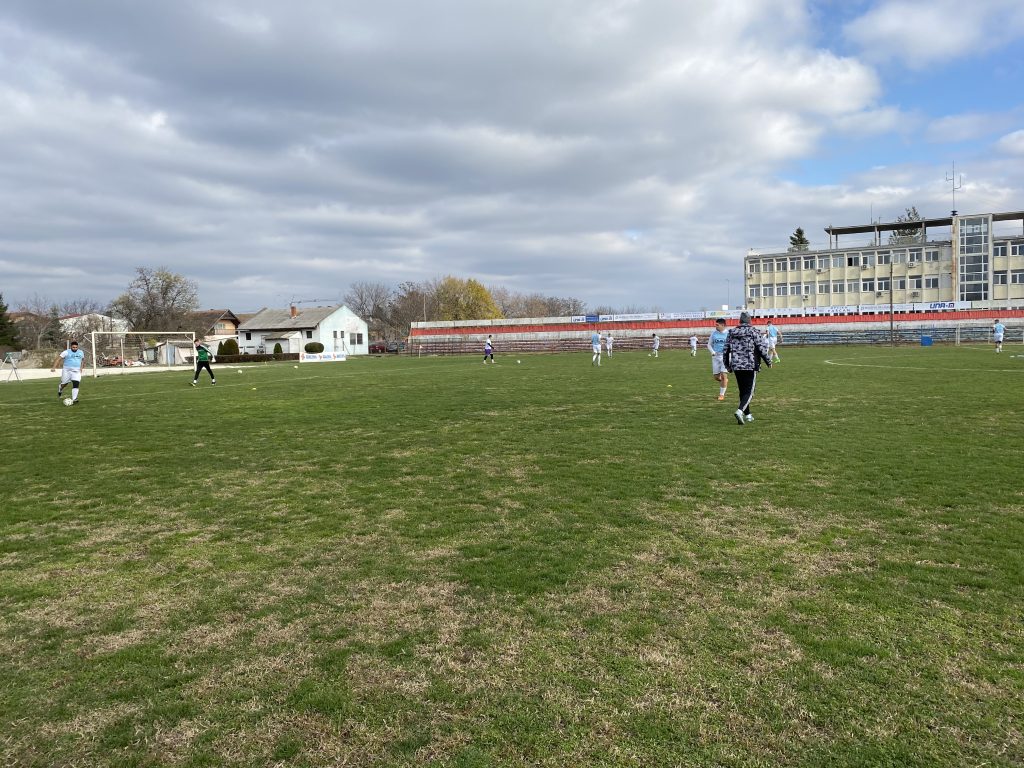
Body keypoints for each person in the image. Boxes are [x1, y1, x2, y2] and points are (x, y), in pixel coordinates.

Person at [723, 312, 772, 425]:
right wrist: (768, 361)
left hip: (737, 365)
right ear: (750, 321)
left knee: (742, 391)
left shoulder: (731, 332)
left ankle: (748, 415)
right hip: (750, 364)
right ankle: (740, 411)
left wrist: (727, 365)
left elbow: (725, 350)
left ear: (739, 321)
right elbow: (761, 348)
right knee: (750, 392)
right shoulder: (754, 331)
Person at [52, 339, 86, 404]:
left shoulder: (81, 352)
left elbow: (83, 360)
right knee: (64, 383)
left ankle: (74, 399)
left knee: (76, 383)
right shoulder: (66, 352)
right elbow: (58, 359)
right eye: (73, 347)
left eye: (76, 347)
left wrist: (81, 368)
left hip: (76, 371)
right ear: (71, 347)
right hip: (67, 370)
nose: (75, 348)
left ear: (77, 347)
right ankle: (60, 388)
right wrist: (53, 367)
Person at [707, 318, 730, 401]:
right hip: (716, 357)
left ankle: (721, 395)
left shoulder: (729, 334)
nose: (715, 326)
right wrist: (712, 352)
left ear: (723, 325)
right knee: (716, 377)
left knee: (723, 375)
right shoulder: (713, 334)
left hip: (726, 357)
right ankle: (724, 381)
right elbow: (709, 345)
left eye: (717, 325)